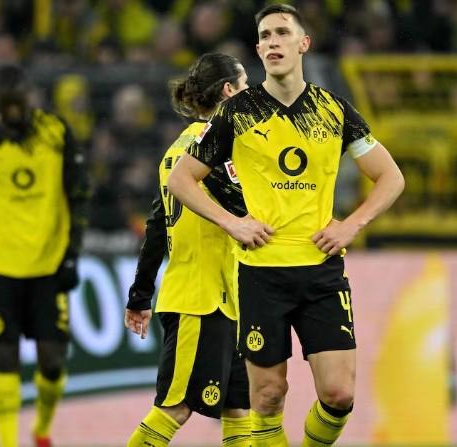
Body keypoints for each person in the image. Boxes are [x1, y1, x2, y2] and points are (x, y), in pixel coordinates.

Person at [167, 4, 405, 446]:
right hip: (262, 275)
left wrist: (352, 225)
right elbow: (181, 179)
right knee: (268, 395)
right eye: (265, 36)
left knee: (339, 394)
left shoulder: (333, 110)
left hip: (321, 271)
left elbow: (391, 177)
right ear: (258, 51)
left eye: (282, 33)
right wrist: (233, 223)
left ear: (303, 44)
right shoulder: (237, 112)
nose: (273, 42)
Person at [124, 53, 251, 447]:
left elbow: (156, 226)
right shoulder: (217, 148)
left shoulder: (175, 151)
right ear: (229, 91)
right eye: (246, 85)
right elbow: (245, 209)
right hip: (200, 301)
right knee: (175, 408)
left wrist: (140, 295)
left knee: (239, 410)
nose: (251, 94)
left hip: (222, 300)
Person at [0, 65, 89, 447]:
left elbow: (78, 193)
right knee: (3, 359)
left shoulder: (56, 132)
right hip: (1, 267)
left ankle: (42, 428)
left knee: (52, 361)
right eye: (7, 104)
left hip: (48, 265)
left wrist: (72, 254)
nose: (14, 111)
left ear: (30, 96)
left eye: (19, 101)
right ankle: (9, 441)